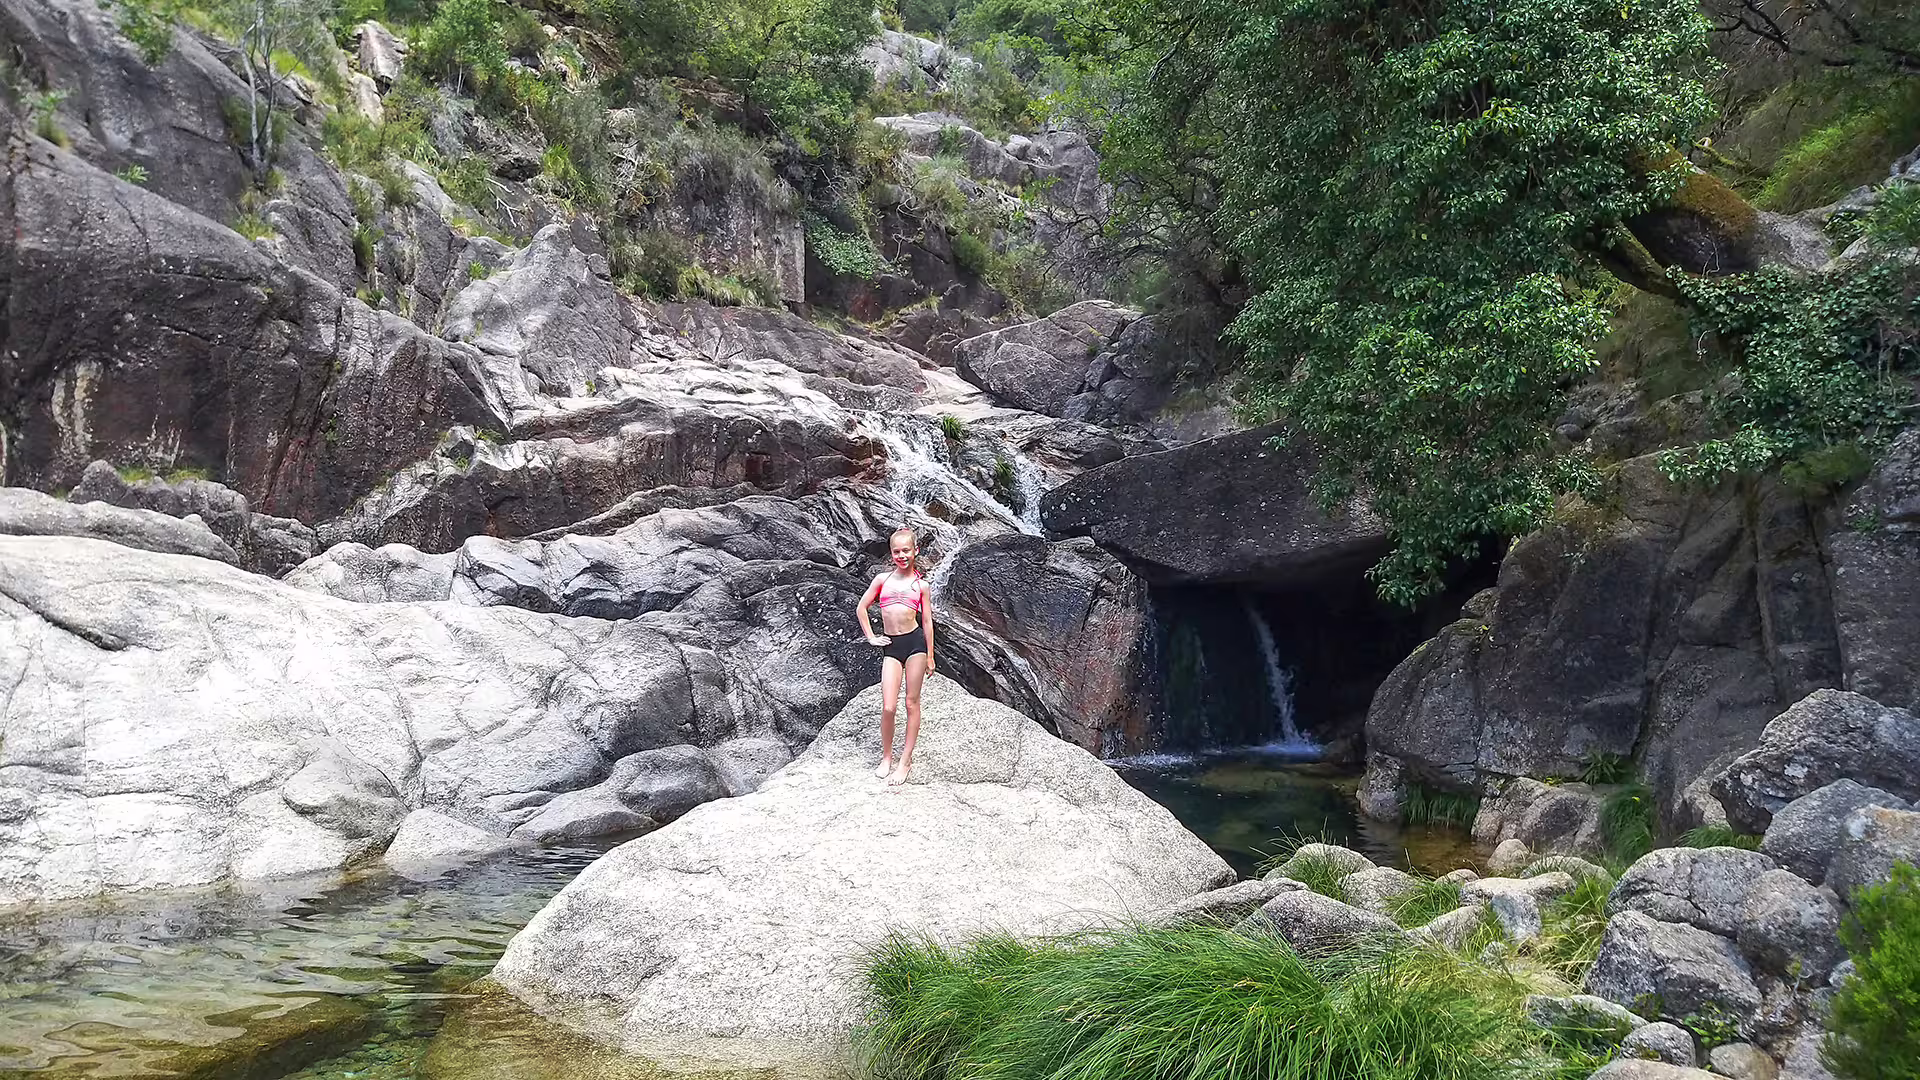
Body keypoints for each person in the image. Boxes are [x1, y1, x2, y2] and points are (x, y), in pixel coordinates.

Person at [854, 527, 935, 786]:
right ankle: (887, 756)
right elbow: (861, 607)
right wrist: (871, 636)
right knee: (888, 706)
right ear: (891, 554)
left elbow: (927, 622)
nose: (902, 555)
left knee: (912, 703)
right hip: (891, 646)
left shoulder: (921, 585)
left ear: (915, 551)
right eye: (897, 551)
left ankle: (905, 760)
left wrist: (931, 655)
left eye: (906, 550)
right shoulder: (882, 580)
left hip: (915, 645)